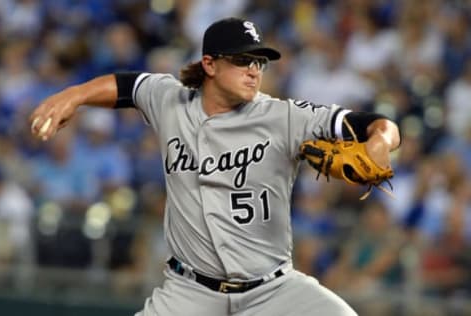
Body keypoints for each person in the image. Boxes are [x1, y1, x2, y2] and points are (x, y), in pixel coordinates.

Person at [29, 17, 400, 316]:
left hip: (273, 292)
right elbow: (126, 85)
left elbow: (377, 124)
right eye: (242, 60)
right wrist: (73, 96)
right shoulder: (169, 100)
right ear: (209, 64)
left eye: (259, 62)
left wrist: (380, 142)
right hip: (189, 293)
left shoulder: (284, 116)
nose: (254, 70)